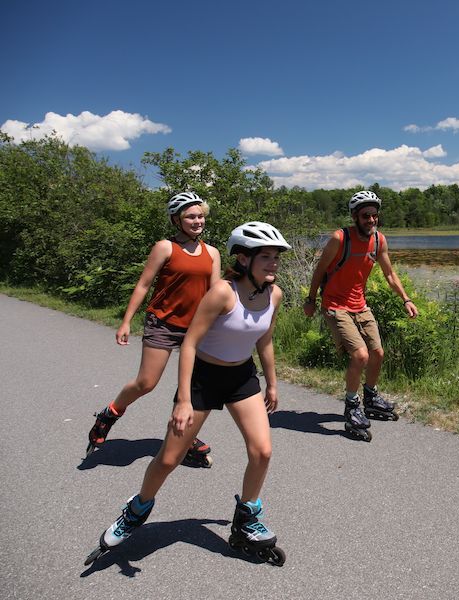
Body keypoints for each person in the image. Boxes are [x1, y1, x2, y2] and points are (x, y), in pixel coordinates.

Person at [84, 221, 290, 567]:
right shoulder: (223, 293)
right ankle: (135, 511)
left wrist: (271, 381)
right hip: (203, 379)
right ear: (242, 259)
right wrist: (183, 399)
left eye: (276, 257)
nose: (273, 263)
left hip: (241, 377)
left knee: (263, 451)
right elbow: (190, 343)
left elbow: (264, 339)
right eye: (265, 257)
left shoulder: (275, 294)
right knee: (168, 458)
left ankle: (246, 521)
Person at [85, 192, 222, 467]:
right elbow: (144, 284)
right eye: (191, 216)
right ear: (177, 220)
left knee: (192, 390)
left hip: (195, 329)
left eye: (201, 215)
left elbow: (215, 293)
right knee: (146, 383)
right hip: (163, 323)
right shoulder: (165, 247)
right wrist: (126, 321)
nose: (198, 221)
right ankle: (110, 413)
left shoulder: (212, 253)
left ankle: (181, 436)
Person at [304, 190, 418, 442]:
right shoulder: (339, 238)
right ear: (355, 216)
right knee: (360, 355)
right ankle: (351, 404)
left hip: (360, 305)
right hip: (335, 306)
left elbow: (390, 275)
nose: (371, 220)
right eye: (366, 216)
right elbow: (319, 271)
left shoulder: (378, 241)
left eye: (375, 216)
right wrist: (311, 300)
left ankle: (371, 395)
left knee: (378, 353)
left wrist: (406, 299)